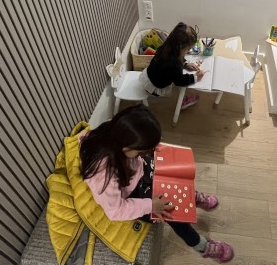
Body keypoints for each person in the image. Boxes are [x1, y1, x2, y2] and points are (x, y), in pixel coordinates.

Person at [80, 105, 234, 263]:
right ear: (128, 147)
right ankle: (201, 245)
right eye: (142, 150)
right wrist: (151, 206)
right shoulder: (104, 176)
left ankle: (192, 197)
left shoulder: (116, 129)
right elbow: (115, 211)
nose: (146, 151)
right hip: (132, 194)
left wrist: (150, 152)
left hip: (136, 171)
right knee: (171, 208)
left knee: (173, 174)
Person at [139, 22, 204, 110]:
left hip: (148, 76)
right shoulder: (175, 64)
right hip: (156, 86)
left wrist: (185, 64)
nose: (188, 51)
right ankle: (183, 101)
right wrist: (196, 77)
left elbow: (175, 58)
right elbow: (179, 81)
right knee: (182, 85)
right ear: (180, 47)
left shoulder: (165, 47)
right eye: (188, 49)